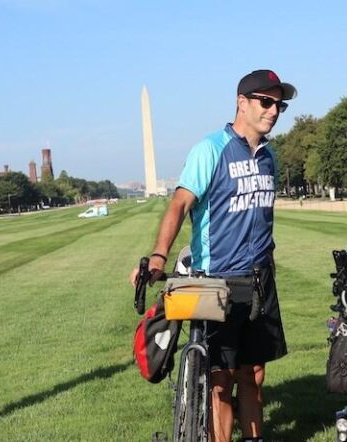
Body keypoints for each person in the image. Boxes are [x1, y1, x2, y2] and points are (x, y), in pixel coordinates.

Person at [129, 69, 296, 442]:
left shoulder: (270, 157)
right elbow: (179, 204)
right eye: (266, 102)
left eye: (279, 105)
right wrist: (159, 255)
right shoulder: (211, 149)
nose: (273, 111)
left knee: (254, 374)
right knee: (220, 379)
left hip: (260, 279)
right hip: (218, 279)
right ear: (242, 102)